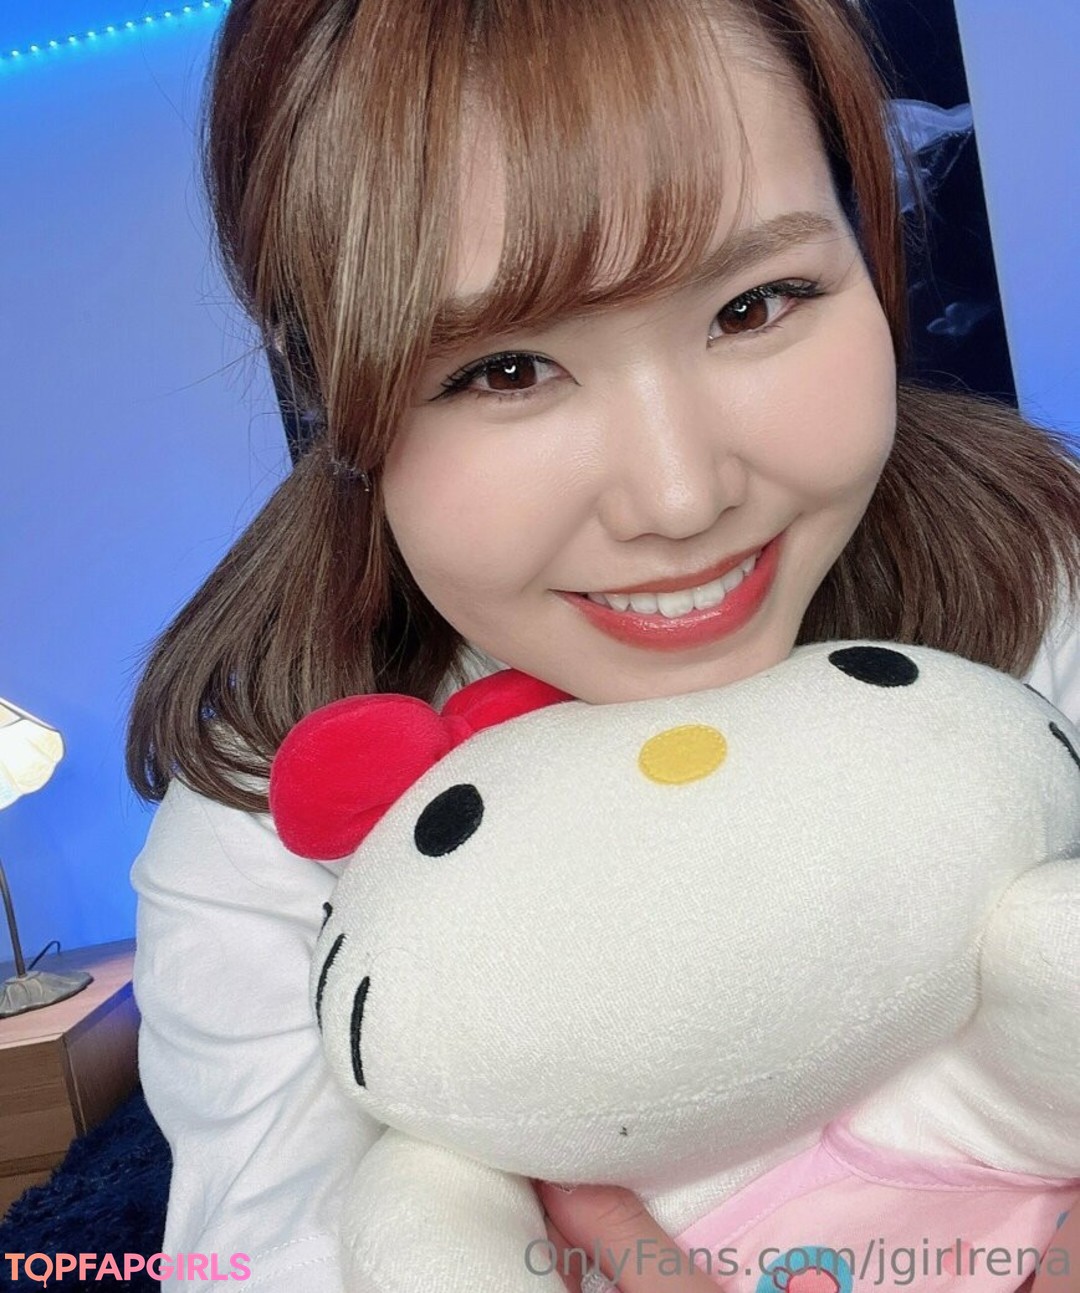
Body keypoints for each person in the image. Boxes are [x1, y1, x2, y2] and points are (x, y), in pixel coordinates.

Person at [126, 1, 1080, 1290]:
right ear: (334, 392)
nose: (680, 499)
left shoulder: (1039, 581)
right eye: (505, 371)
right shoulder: (266, 825)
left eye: (756, 305)